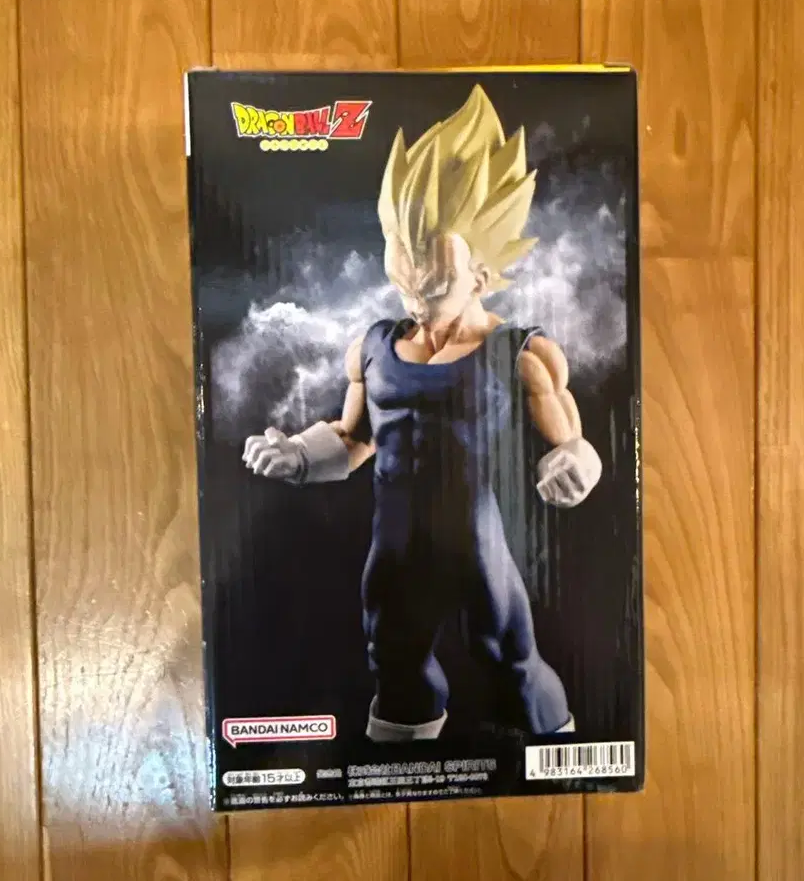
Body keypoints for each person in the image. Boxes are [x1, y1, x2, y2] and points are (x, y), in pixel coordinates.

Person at [243, 85, 602, 742]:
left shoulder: (519, 353)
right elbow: (354, 438)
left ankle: (551, 755)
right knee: (393, 660)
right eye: (402, 276)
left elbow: (570, 441)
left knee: (507, 655)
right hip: (396, 540)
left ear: (481, 277)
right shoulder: (375, 347)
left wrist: (576, 465)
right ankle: (400, 764)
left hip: (472, 538)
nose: (412, 296)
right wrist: (296, 456)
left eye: (431, 283)